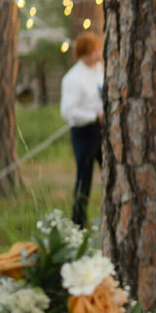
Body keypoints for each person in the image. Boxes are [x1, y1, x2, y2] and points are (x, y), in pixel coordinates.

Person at [59, 32, 103, 228]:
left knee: (111, 173)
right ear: (83, 55)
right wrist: (93, 116)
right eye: (92, 53)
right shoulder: (73, 79)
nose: (96, 56)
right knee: (84, 179)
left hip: (102, 131)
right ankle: (78, 222)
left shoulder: (100, 69)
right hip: (84, 133)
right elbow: (68, 112)